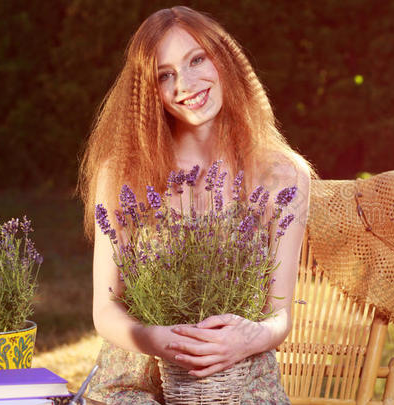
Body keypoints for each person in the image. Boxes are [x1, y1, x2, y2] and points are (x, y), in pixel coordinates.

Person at [77, 6, 313, 404]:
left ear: (224, 58)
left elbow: (280, 316)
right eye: (164, 75)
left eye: (196, 59)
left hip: (236, 380)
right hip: (132, 380)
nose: (184, 84)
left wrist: (246, 338)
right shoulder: (121, 173)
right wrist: (156, 339)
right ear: (148, 92)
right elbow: (106, 308)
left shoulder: (285, 177)